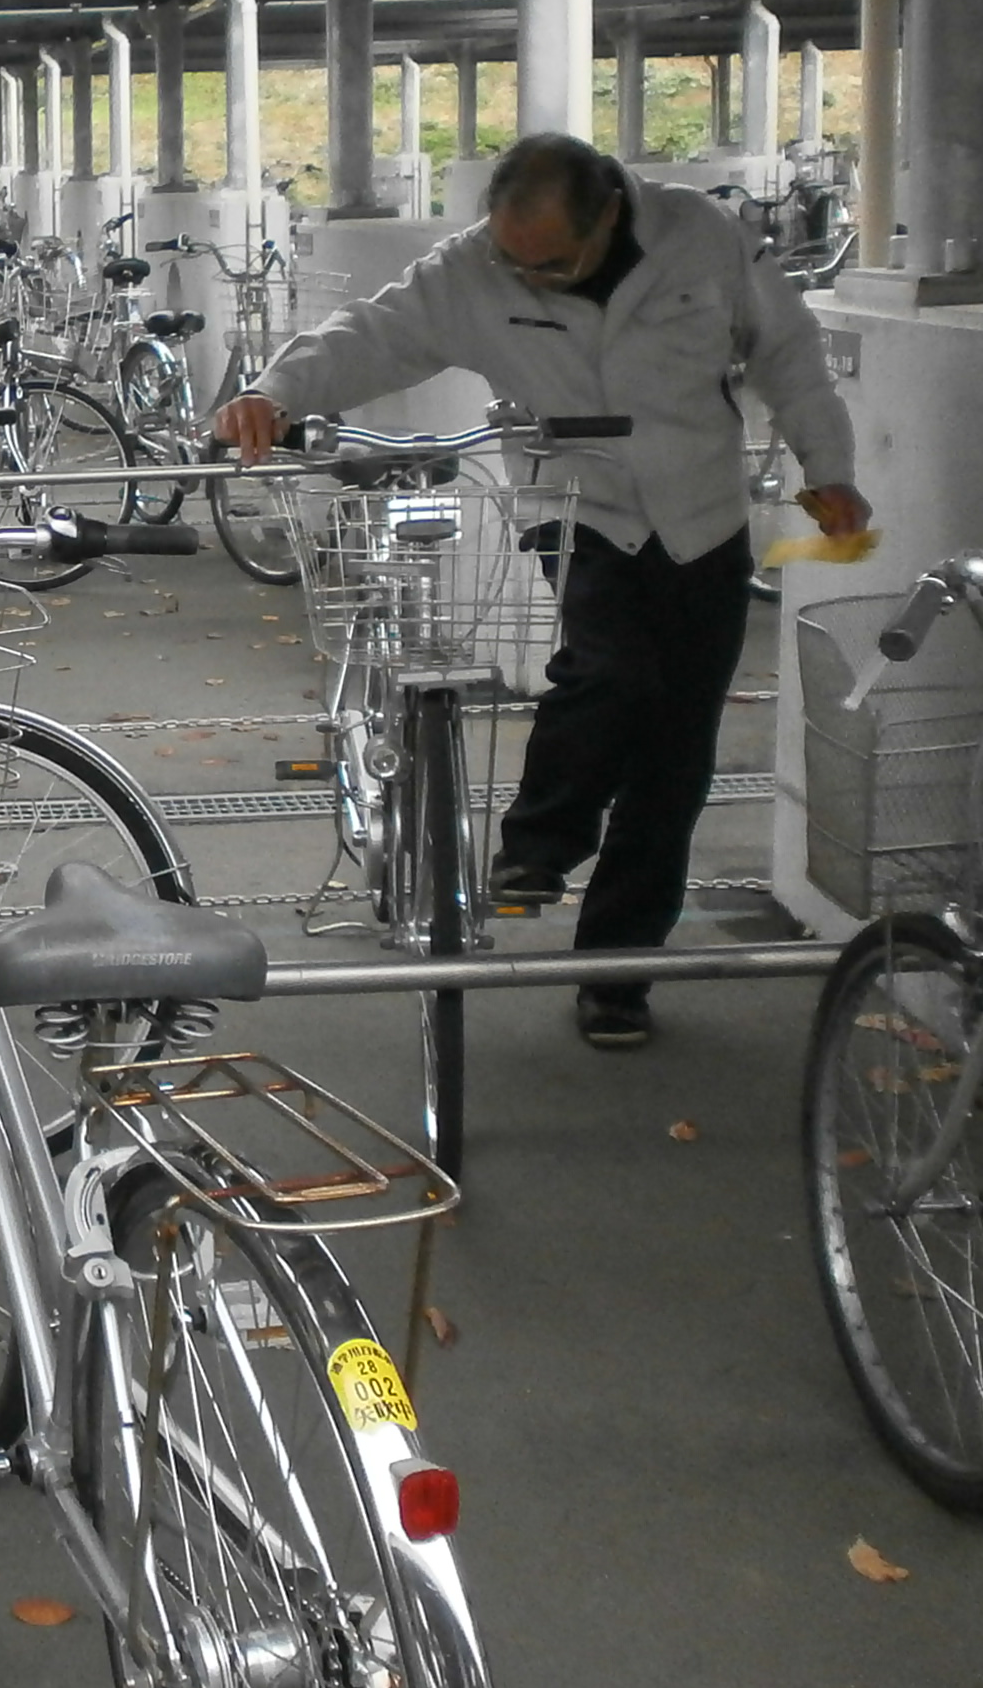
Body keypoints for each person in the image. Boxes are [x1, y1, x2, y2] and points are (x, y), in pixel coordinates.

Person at [215, 131, 868, 1050]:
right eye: (514, 261)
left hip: (704, 515)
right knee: (611, 668)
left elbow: (788, 352)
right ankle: (540, 843)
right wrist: (275, 393)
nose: (532, 279)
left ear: (611, 214)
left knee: (675, 759)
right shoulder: (473, 269)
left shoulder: (702, 237)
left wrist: (826, 467)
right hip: (578, 505)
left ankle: (617, 975)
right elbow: (373, 334)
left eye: (554, 264)